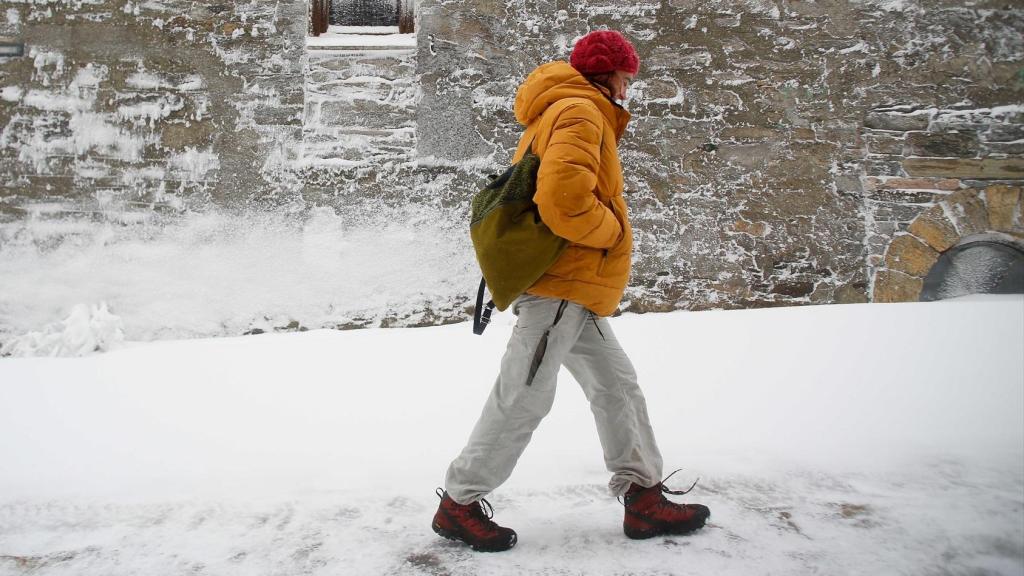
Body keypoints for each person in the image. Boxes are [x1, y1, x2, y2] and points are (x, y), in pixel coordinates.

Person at [431, 30, 710, 552]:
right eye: (626, 78)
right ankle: (459, 504)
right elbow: (562, 200)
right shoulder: (581, 112)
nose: (629, 90)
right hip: (561, 286)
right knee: (524, 395)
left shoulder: (566, 108)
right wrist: (614, 232)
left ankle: (643, 496)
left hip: (574, 289)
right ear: (607, 74)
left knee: (617, 385)